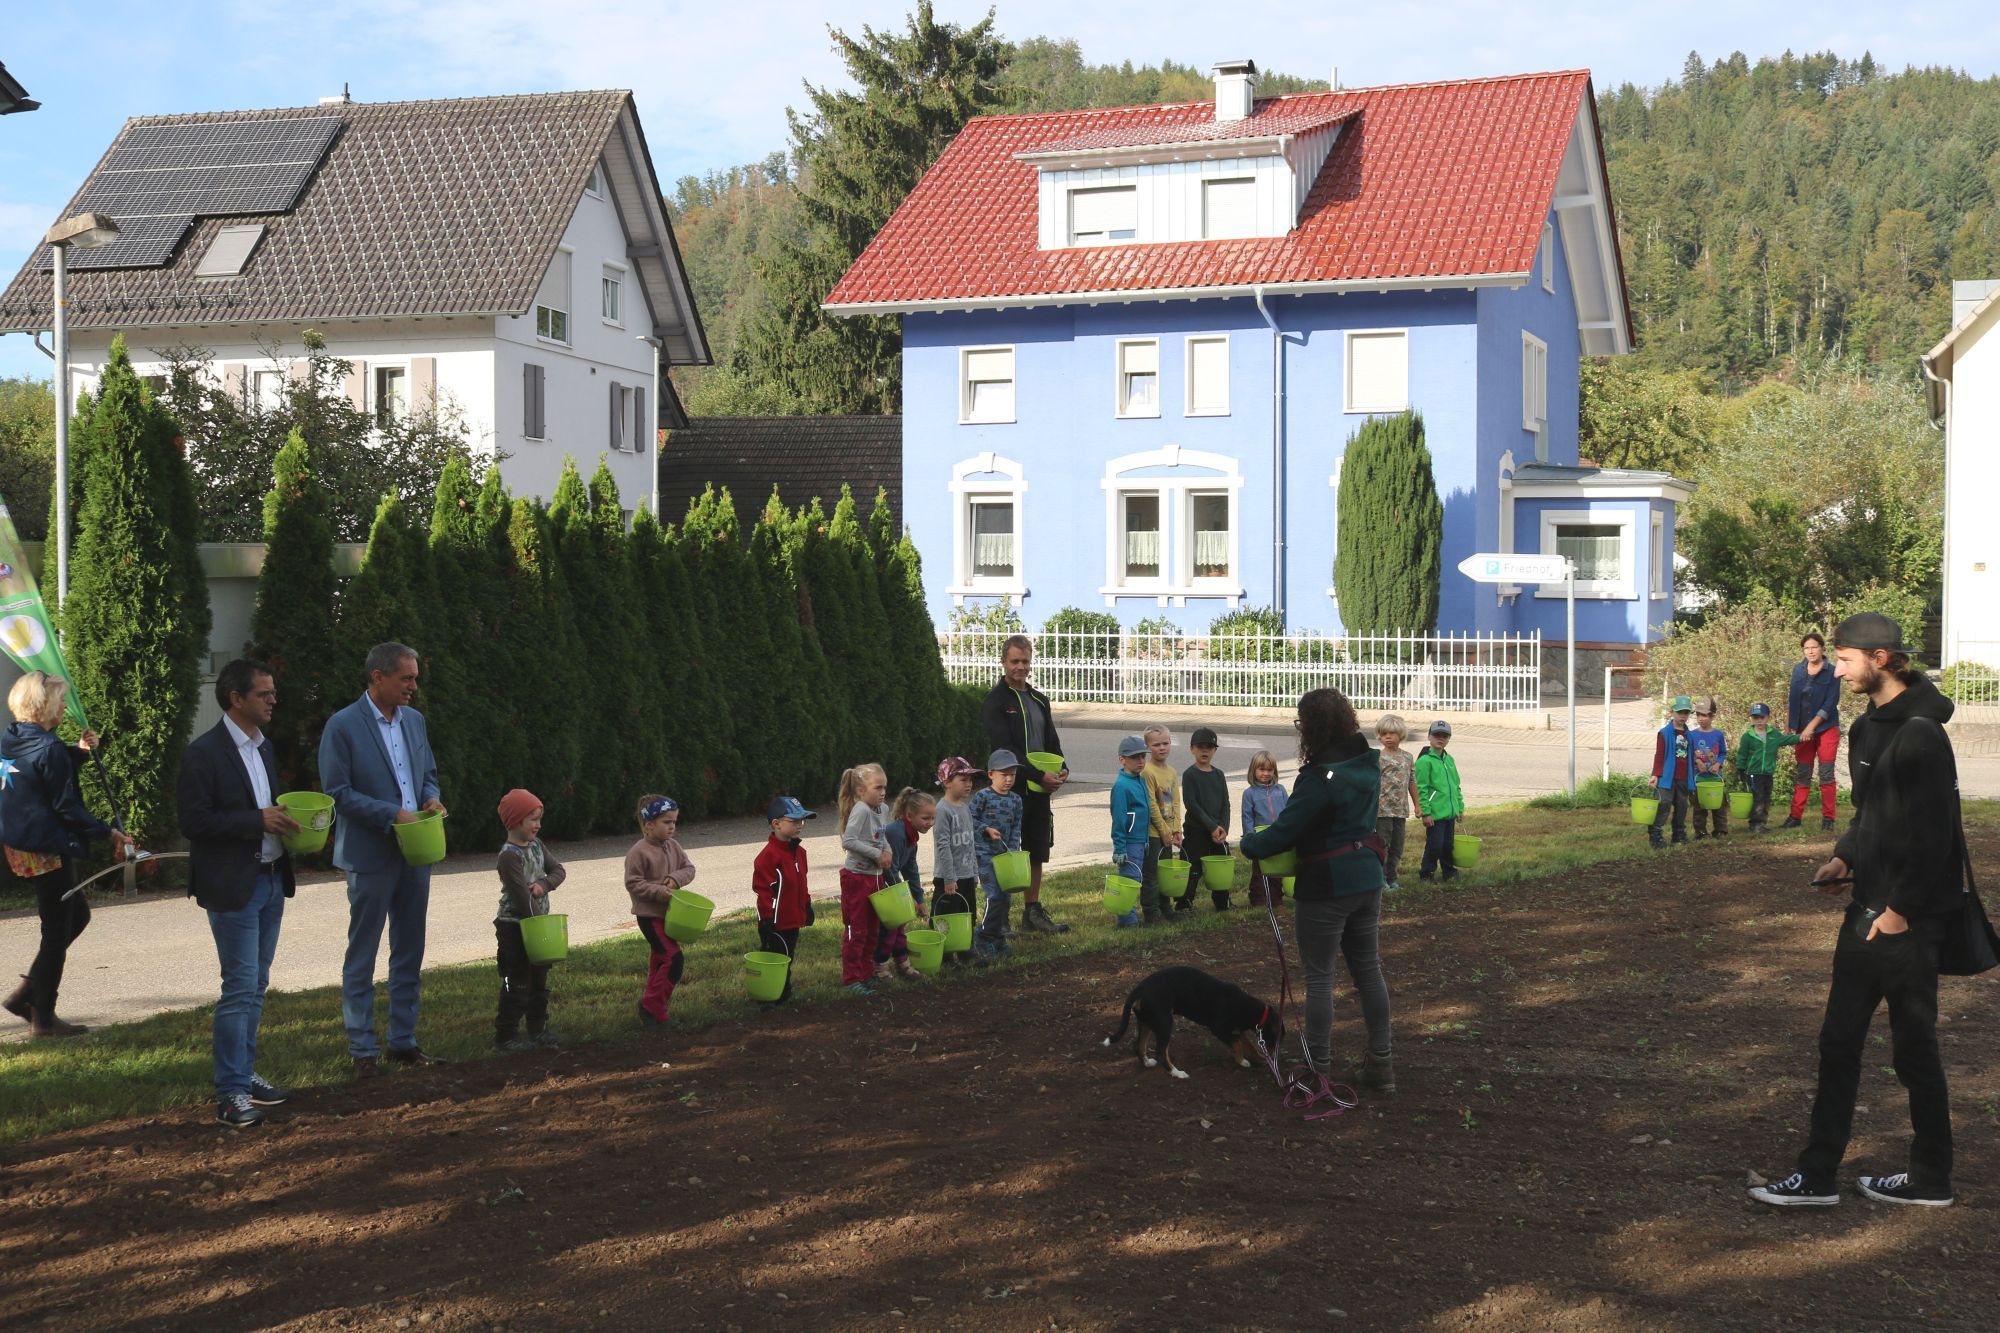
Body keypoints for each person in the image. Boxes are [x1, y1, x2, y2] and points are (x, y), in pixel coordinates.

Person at [1751, 613, 1963, 1208]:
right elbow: (1870, 814)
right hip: (1867, 908)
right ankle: (1818, 1177)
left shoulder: (1921, 734)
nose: (1835, 669)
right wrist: (1845, 858)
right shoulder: (1869, 728)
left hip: (1904, 922)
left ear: (1883, 659)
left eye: (1845, 659)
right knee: (1838, 1044)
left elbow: (1935, 838)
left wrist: (1898, 912)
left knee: (1913, 1051)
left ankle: (1930, 1179)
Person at [1240, 687, 1392, 1091]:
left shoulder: (1318, 778)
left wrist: (1249, 844)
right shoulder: (1368, 762)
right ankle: (1381, 1061)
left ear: (1310, 728)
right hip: (1368, 876)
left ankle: (1318, 1068)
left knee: (1321, 977)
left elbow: (1286, 831)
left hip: (1326, 883)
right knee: (1369, 971)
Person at [175, 659, 298, 1125]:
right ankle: (230, 1094)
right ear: (236, 700)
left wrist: (287, 823)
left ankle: (244, 1076)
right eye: (264, 694)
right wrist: (257, 820)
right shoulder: (204, 753)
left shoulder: (264, 749)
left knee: (256, 986)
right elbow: (193, 822)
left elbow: (264, 810)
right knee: (239, 987)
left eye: (271, 693)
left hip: (268, 879)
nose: (273, 701)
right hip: (232, 887)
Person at [319, 641, 447, 1076]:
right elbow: (337, 792)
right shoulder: (342, 726)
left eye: (414, 678)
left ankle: (403, 1042)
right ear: (378, 677)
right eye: (406, 678)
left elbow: (427, 774)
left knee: (409, 949)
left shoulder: (414, 721)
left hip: (416, 851)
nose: (413, 686)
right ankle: (362, 1050)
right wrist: (390, 813)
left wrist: (431, 799)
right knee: (364, 952)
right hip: (370, 853)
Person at [1, 671, 133, 1039]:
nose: (63, 705)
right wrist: (109, 832)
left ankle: (27, 993)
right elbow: (67, 807)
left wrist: (77, 753)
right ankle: (43, 1016)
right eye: (60, 699)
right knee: (58, 929)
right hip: (45, 846)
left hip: (19, 844)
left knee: (76, 917)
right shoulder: (49, 748)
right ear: (44, 705)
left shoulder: (12, 738)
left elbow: (38, 773)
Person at [980, 636, 1071, 934]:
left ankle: (1032, 912)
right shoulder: (996, 701)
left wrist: (1061, 768)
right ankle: (999, 916)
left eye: (1025, 661)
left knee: (1036, 848)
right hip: (1009, 789)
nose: (1020, 667)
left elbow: (1052, 742)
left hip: (1040, 791)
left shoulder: (1039, 700)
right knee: (1006, 851)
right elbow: (1005, 748)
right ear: (1004, 662)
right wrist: (1035, 775)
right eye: (1014, 661)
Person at [494, 788, 565, 1050]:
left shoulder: (537, 846)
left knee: (539, 979)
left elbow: (558, 870)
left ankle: (538, 1028)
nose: (538, 825)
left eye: (538, 818)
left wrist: (544, 885)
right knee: (517, 978)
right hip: (515, 927)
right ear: (515, 821)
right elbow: (522, 900)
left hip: (538, 925)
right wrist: (541, 925)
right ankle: (507, 1033)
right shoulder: (509, 856)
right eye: (532, 819)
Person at [625, 795, 694, 1028]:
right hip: (649, 916)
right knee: (673, 959)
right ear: (649, 824)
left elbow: (689, 869)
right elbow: (633, 883)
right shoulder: (639, 852)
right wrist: (659, 891)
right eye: (666, 822)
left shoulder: (674, 846)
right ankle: (650, 1005)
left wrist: (675, 879)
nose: (672, 826)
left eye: (674, 821)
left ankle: (657, 1014)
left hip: (670, 915)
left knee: (659, 962)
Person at [838, 762, 897, 993]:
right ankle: (852, 979)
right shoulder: (860, 809)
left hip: (876, 878)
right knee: (857, 929)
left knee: (873, 929)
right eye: (877, 788)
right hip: (857, 878)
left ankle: (866, 973)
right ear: (862, 791)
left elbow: (882, 837)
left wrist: (888, 853)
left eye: (884, 787)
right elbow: (849, 841)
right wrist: (875, 854)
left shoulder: (882, 809)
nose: (882, 792)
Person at [752, 796, 816, 1004]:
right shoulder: (768, 856)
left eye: (802, 821)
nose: (800, 825)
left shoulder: (800, 853)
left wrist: (806, 905)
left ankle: (782, 993)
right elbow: (764, 890)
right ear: (776, 824)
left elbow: (801, 883)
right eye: (794, 821)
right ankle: (770, 997)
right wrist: (766, 919)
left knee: (788, 957)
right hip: (775, 923)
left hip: (793, 918)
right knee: (776, 958)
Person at [1784, 631, 1842, 831]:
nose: (1810, 651)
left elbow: (1830, 703)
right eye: (1806, 648)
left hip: (1826, 728)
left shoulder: (1833, 672)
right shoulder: (1798, 670)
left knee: (1826, 774)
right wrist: (1789, 724)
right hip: (1801, 729)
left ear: (1822, 649)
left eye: (1814, 647)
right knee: (1803, 773)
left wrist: (1811, 727)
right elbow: (1793, 699)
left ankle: (1828, 818)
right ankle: (1795, 816)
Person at [876, 787, 934, 982]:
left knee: (899, 928)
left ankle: (902, 964)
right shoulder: (897, 834)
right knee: (888, 930)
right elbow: (889, 869)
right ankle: (880, 968)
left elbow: (911, 869)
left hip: (891, 886)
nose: (930, 823)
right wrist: (904, 898)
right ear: (909, 816)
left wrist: (918, 899)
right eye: (926, 818)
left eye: (932, 818)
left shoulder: (912, 838)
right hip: (880, 887)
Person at [970, 750, 1023, 961]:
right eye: (1004, 775)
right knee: (994, 896)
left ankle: (998, 937)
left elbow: (1016, 827)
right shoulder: (982, 796)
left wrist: (1013, 852)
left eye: (1013, 774)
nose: (1009, 779)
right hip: (984, 855)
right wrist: (985, 829)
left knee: (1005, 898)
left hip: (1005, 858)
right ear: (991, 774)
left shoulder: (1016, 800)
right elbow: (969, 819)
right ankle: (983, 937)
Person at [929, 758, 980, 966]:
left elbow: (970, 843)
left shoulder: (964, 807)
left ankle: (966, 949)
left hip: (967, 874)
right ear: (947, 782)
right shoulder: (942, 810)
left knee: (967, 915)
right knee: (945, 917)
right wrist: (949, 878)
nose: (968, 784)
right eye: (963, 779)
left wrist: (974, 872)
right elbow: (943, 846)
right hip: (949, 879)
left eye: (970, 779)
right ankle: (945, 954)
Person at [1183, 726, 1232, 911]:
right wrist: (1212, 827)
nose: (1205, 750)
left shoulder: (1219, 775)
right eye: (1200, 746)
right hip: (1197, 830)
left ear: (1215, 750)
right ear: (1192, 748)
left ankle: (1223, 902)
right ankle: (1185, 903)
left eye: (1209, 747)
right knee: (1193, 868)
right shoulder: (1190, 775)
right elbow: (1191, 804)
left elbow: (1225, 804)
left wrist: (1223, 828)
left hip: (1218, 832)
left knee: (1221, 867)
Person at [1142, 726, 1186, 916]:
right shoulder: (1147, 772)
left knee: (1165, 873)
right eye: (1156, 744)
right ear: (1147, 746)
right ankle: (1151, 912)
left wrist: (1177, 830)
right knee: (1151, 875)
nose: (1162, 748)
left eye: (1166, 743)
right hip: (1153, 834)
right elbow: (1152, 805)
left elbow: (1176, 802)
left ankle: (1166, 908)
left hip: (1168, 833)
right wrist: (1164, 832)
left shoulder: (1172, 772)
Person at [1372, 717, 1419, 893]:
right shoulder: (1378, 757)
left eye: (1392, 733)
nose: (1388, 737)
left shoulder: (1407, 757)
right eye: (1384, 734)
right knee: (1383, 844)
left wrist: (1417, 805)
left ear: (1401, 735)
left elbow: (1411, 781)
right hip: (1382, 810)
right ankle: (1381, 879)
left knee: (1397, 846)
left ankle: (1392, 878)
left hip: (1400, 811)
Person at [1737, 704, 1799, 832]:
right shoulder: (1748, 736)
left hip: (1768, 772)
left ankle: (1762, 822)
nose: (1759, 720)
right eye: (1755, 718)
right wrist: (1740, 769)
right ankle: (1755, 824)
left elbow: (1785, 740)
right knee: (1758, 798)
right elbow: (1742, 754)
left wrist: (1801, 737)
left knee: (1766, 797)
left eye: (1762, 717)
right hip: (1753, 773)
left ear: (1768, 718)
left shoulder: (1773, 734)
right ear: (1752, 719)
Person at [1415, 721, 1464, 880]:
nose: (1440, 738)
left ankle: (1449, 872)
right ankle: (1426, 873)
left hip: (1449, 812)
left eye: (1445, 736)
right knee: (1435, 845)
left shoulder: (1449, 760)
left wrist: (1460, 807)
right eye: (1436, 735)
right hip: (1435, 813)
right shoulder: (1424, 761)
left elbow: (1456, 785)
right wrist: (1426, 812)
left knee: (1448, 845)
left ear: (1449, 739)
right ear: (1429, 736)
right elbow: (1421, 788)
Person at [1111, 735, 1151, 926]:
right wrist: (1120, 848)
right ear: (1122, 760)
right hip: (1129, 842)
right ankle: (1128, 922)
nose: (1141, 761)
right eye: (1135, 757)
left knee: (1136, 880)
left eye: (1143, 756)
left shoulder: (1139, 780)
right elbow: (1118, 820)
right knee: (1129, 881)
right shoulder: (1121, 786)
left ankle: (1127, 920)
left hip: (1141, 841)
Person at [1242, 749, 1289, 907]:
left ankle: (1276, 899)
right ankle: (1258, 899)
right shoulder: (1249, 794)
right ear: (1253, 770)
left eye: (1270, 770)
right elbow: (1247, 817)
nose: (1266, 773)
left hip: (1279, 836)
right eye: (1262, 769)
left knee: (1277, 870)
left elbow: (1289, 810)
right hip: (1260, 838)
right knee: (1260, 870)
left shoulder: (1280, 790)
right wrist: (1249, 837)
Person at [1648, 696, 1697, 849]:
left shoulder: (1689, 735)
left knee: (1682, 805)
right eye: (1680, 712)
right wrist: (1655, 774)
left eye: (1686, 713)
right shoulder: (1664, 733)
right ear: (1672, 713)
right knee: (1664, 804)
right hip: (1667, 777)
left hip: (1683, 776)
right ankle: (1655, 833)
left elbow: (1691, 756)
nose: (1682, 716)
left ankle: (1678, 833)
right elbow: (1659, 755)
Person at [1690, 698, 1729, 839]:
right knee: (1699, 807)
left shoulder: (1718, 734)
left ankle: (1721, 831)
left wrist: (1718, 764)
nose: (1700, 718)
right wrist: (1697, 761)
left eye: (1704, 715)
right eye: (1698, 715)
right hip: (1698, 779)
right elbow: (1689, 754)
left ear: (1712, 716)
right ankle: (1700, 832)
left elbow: (1723, 752)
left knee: (1719, 806)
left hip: (1715, 778)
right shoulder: (1692, 735)